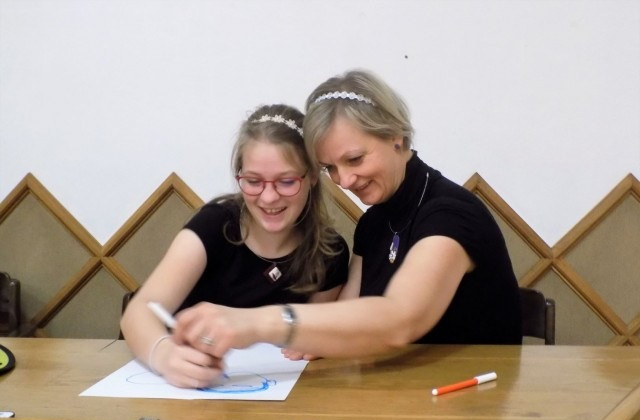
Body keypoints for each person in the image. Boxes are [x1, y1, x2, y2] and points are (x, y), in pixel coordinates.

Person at [171, 70, 522, 363]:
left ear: (396, 137)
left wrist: (257, 323)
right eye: (330, 168)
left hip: (473, 401)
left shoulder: (451, 215)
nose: (345, 180)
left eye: (354, 159)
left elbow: (399, 319)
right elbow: (347, 312)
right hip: (402, 397)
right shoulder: (373, 223)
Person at [120, 104, 350, 387]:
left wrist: (316, 342)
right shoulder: (215, 225)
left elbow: (311, 341)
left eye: (286, 181)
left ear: (313, 176)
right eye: (253, 181)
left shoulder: (329, 253)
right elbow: (139, 311)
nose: (268, 197)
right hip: (188, 391)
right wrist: (164, 355)